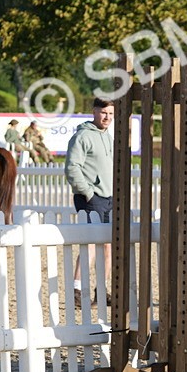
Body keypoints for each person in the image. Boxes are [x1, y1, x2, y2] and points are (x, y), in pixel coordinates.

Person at [65, 99, 114, 306]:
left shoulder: (108, 136)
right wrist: (88, 193)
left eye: (111, 114)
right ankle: (77, 289)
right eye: (103, 113)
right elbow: (71, 167)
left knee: (109, 247)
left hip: (110, 198)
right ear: (94, 111)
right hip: (92, 198)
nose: (107, 118)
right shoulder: (82, 136)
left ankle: (101, 290)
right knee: (92, 245)